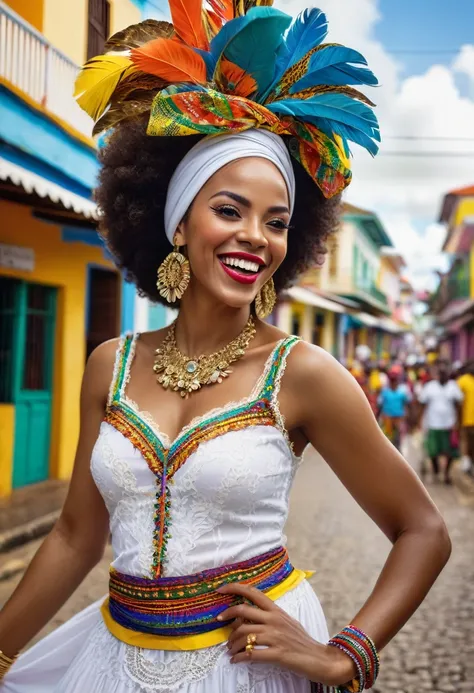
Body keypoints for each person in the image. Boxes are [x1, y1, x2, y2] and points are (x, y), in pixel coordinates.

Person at [0, 4, 451, 693]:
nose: (256, 238)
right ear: (177, 222)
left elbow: (423, 529)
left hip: (247, 673)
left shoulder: (301, 374)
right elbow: (73, 538)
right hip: (115, 656)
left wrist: (346, 653)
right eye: (229, 210)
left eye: (277, 222)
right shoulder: (109, 364)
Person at [418, 365, 463, 484]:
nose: (443, 376)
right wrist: (420, 420)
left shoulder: (453, 387)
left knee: (450, 451)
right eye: (441, 373)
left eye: (445, 374)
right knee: (433, 450)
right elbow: (423, 405)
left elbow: (458, 405)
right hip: (433, 424)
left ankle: (447, 474)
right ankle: (436, 469)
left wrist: (458, 422)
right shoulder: (430, 387)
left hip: (449, 424)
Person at [377, 373, 412, 450]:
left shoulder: (402, 392)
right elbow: (380, 405)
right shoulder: (385, 392)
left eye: (395, 381)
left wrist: (407, 416)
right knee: (388, 437)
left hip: (398, 418)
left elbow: (406, 405)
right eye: (392, 381)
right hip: (388, 418)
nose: (393, 383)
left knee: (398, 438)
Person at [457, 361, 474, 475]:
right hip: (467, 419)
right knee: (468, 442)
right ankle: (467, 463)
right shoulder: (463, 380)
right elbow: (457, 401)